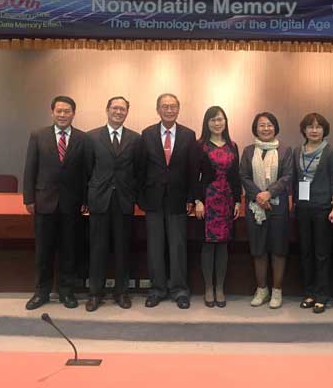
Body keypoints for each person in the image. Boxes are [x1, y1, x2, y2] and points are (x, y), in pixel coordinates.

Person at [22, 95, 87, 310]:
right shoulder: (38, 135)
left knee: (69, 250)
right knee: (43, 251)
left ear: (73, 113)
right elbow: (30, 168)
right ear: (52, 112)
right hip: (44, 202)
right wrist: (29, 198)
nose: (62, 115)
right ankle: (41, 292)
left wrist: (85, 199)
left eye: (67, 111)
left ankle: (66, 292)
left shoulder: (82, 138)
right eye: (59, 111)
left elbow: (85, 172)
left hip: (71, 204)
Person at [138, 93, 197, 309]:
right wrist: (141, 199)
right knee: (155, 247)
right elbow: (140, 169)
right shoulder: (147, 134)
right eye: (165, 106)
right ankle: (157, 290)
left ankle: (179, 290)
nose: (169, 110)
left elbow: (193, 170)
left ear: (178, 109)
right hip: (153, 200)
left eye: (173, 106)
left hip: (178, 200)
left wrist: (191, 197)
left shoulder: (189, 135)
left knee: (178, 247)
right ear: (158, 110)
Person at [84, 96, 141, 312]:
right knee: (97, 249)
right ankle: (95, 293)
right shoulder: (91, 137)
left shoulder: (135, 139)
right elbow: (87, 169)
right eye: (115, 108)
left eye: (122, 109)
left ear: (127, 112)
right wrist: (88, 197)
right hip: (99, 200)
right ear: (107, 110)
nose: (118, 112)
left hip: (124, 200)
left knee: (122, 249)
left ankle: (121, 292)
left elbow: (138, 170)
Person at [239, 112, 293, 309]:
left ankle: (277, 291)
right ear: (256, 128)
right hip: (255, 207)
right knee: (258, 249)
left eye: (269, 125)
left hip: (278, 207)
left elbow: (288, 176)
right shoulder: (248, 151)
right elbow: (243, 176)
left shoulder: (286, 150)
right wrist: (259, 197)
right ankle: (262, 290)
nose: (266, 128)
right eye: (261, 125)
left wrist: (269, 193)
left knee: (278, 249)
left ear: (275, 127)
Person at [292, 113, 333, 314]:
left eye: (318, 127)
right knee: (305, 253)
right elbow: (294, 181)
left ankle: (322, 295)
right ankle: (309, 293)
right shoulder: (297, 151)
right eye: (310, 127)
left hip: (323, 209)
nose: (314, 130)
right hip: (302, 209)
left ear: (324, 130)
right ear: (304, 130)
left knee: (321, 254)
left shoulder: (331, 152)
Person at [193, 106, 241, 308]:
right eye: (213, 120)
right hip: (208, 199)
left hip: (227, 199)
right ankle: (208, 288)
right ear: (207, 123)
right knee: (208, 244)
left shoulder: (233, 145)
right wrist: (198, 200)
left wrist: (237, 201)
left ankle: (220, 288)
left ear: (225, 121)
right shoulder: (199, 146)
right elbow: (194, 175)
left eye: (220, 119)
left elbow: (236, 176)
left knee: (223, 245)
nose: (217, 123)